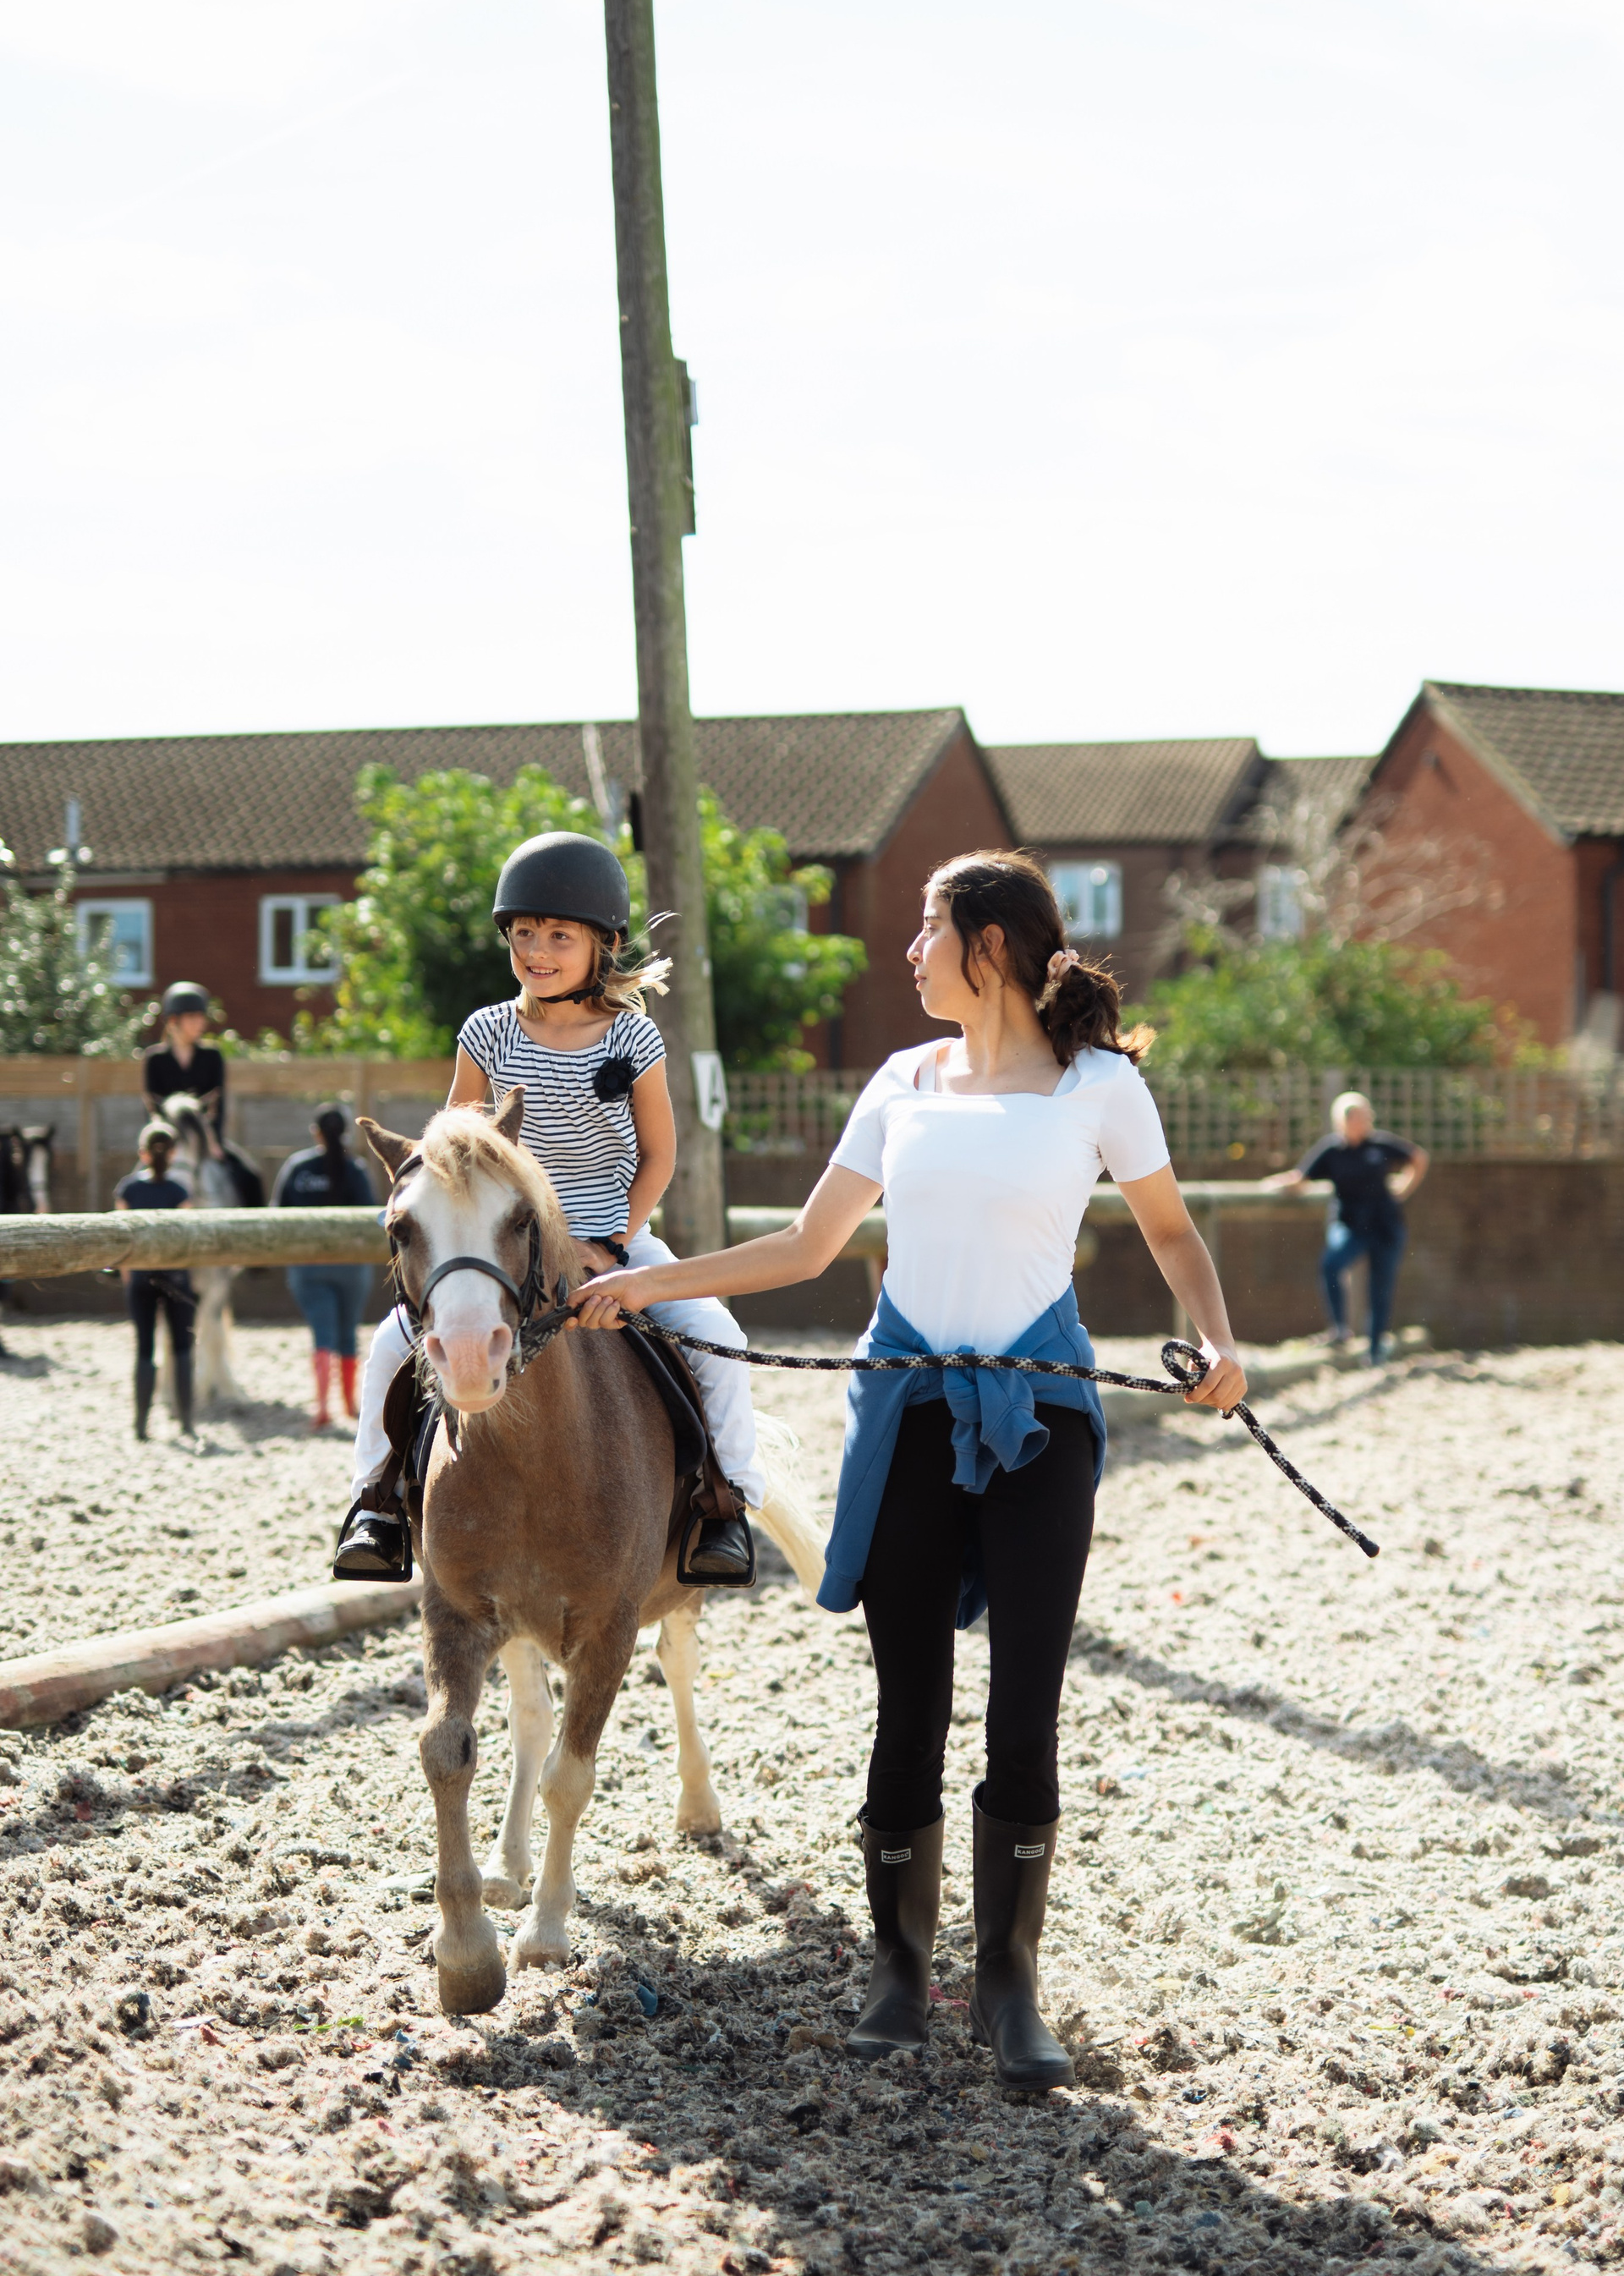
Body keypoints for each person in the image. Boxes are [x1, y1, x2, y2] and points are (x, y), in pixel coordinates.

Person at [568, 848, 1248, 2092]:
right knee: (909, 1701)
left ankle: (1008, 1984)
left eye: (930, 928)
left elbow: (1173, 1234)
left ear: (989, 946)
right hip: (910, 1415)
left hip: (1043, 1417)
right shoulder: (901, 1082)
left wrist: (1217, 1342)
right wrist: (644, 1286)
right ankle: (897, 1973)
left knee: (1026, 1706)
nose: (911, 950)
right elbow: (807, 1244)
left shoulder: (1100, 1087)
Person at [332, 829, 767, 1581]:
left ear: (605, 944)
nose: (537, 950)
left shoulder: (634, 1038)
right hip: (502, 1247)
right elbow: (453, 1154)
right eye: (524, 933)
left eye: (559, 936)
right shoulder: (487, 1032)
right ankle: (378, 1504)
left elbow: (660, 1157)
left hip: (612, 1238)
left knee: (715, 1338)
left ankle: (724, 1506)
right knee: (388, 1349)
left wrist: (616, 1245)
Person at [1263, 1090, 1427, 1364]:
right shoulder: (1332, 1150)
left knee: (1380, 1287)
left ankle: (1375, 1350)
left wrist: (1404, 1187)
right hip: (1351, 1225)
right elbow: (1301, 1177)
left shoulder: (1381, 1145)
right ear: (1342, 1121)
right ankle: (1339, 1329)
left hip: (1385, 1226)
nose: (1362, 1121)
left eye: (1365, 1116)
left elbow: (1418, 1157)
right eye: (1355, 1117)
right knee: (1332, 1263)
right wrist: (1275, 1184)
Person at [272, 1105, 378, 1431]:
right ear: (345, 1133)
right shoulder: (356, 1169)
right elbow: (372, 1215)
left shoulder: (298, 1168)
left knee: (322, 1332)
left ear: (315, 1132)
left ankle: (321, 1407)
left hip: (308, 1266)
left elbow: (277, 1213)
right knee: (349, 1332)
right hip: (352, 1267)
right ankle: (349, 1404)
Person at [113, 1119, 196, 1442]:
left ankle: (140, 1425)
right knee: (182, 1347)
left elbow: (121, 1241)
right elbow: (187, 1240)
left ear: (143, 1154)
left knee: (145, 1348)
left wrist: (128, 1277)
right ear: (173, 1153)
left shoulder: (129, 1189)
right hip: (175, 1277)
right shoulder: (179, 1191)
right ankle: (187, 1423)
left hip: (140, 1278)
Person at [141, 982, 227, 1141]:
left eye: (202, 1017)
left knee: (239, 1159)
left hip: (205, 1139)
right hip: (167, 1140)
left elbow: (218, 1107)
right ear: (173, 1020)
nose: (200, 1023)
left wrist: (212, 1142)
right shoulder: (155, 1059)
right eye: (192, 1017)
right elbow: (152, 1107)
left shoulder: (212, 1056)